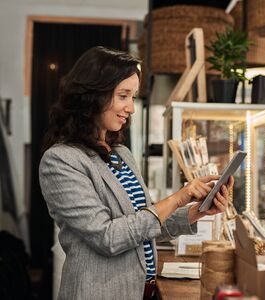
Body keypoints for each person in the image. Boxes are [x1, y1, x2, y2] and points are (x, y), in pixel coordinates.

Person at [39, 46, 233, 300]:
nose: (131, 107)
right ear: (92, 96)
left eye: (133, 97)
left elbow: (146, 225)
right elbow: (108, 237)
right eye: (123, 95)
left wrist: (198, 211)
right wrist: (178, 198)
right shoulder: (61, 161)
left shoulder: (121, 153)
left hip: (143, 291)